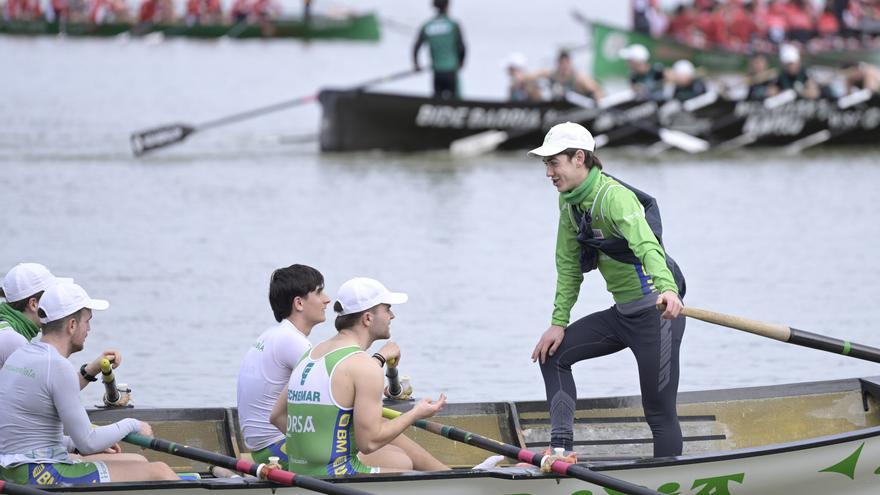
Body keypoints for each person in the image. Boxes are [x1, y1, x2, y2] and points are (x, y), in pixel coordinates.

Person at [528, 122, 686, 459]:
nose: (548, 173)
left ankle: (668, 479)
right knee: (552, 355)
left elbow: (648, 247)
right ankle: (560, 451)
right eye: (546, 164)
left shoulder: (614, 197)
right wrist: (558, 322)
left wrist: (668, 290)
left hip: (657, 316)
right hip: (622, 316)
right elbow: (568, 267)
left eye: (554, 163)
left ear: (579, 158)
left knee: (659, 412)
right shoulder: (569, 204)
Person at [0, 282, 177, 484]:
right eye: (87, 321)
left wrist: (72, 445)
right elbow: (89, 442)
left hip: (11, 467)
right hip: (36, 472)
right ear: (72, 325)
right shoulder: (58, 366)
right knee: (160, 471)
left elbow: (28, 432)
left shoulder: (21, 354)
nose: (90, 329)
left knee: (138, 460)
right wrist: (133, 424)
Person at [271, 277, 448, 475]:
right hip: (338, 475)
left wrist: (315, 446)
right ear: (367, 319)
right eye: (387, 308)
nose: (392, 315)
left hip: (300, 473)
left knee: (402, 460)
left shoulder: (310, 355)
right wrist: (416, 413)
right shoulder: (364, 366)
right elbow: (370, 443)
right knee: (410, 471)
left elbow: (276, 416)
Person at [236, 264, 330, 468]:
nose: (327, 299)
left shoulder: (272, 334)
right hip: (277, 451)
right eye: (319, 292)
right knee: (392, 455)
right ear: (299, 303)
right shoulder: (293, 341)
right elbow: (335, 387)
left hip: (262, 448)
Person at [412, 0, 466, 100]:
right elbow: (462, 47)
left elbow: (416, 47)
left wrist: (416, 64)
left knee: (437, 102)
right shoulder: (453, 24)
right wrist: (461, 62)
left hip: (437, 72)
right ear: (447, 6)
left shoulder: (427, 25)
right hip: (451, 70)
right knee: (456, 103)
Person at [532, 50, 603, 102]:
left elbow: (596, 90)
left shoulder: (579, 78)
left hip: (579, 106)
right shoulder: (552, 74)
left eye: (566, 63)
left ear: (570, 63)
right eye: (562, 63)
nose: (564, 66)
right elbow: (532, 76)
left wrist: (599, 103)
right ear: (558, 64)